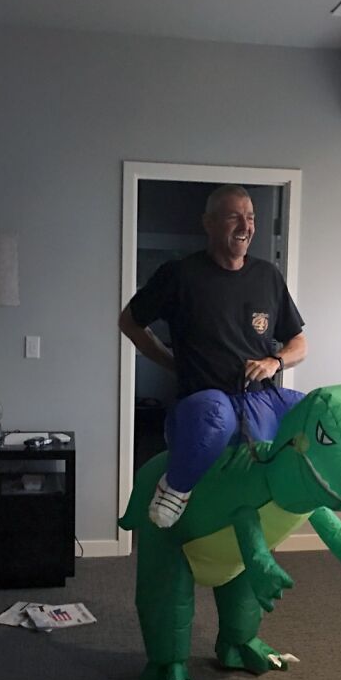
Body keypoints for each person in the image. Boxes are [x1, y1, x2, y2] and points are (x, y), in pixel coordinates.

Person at [119, 184, 307, 530]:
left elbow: (298, 341)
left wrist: (274, 362)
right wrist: (168, 360)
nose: (245, 226)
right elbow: (129, 322)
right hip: (205, 403)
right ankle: (175, 487)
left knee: (317, 409)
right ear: (208, 223)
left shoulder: (268, 276)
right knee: (216, 415)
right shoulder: (178, 275)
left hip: (259, 400)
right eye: (234, 217)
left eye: (250, 218)